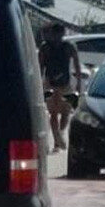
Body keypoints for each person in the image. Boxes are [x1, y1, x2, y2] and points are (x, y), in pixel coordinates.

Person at [38, 23, 84, 151]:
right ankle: (59, 135)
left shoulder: (46, 47)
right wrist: (79, 84)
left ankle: (58, 136)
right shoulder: (68, 47)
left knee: (58, 112)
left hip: (52, 82)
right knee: (62, 112)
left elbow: (40, 67)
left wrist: (40, 84)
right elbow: (77, 67)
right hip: (62, 82)